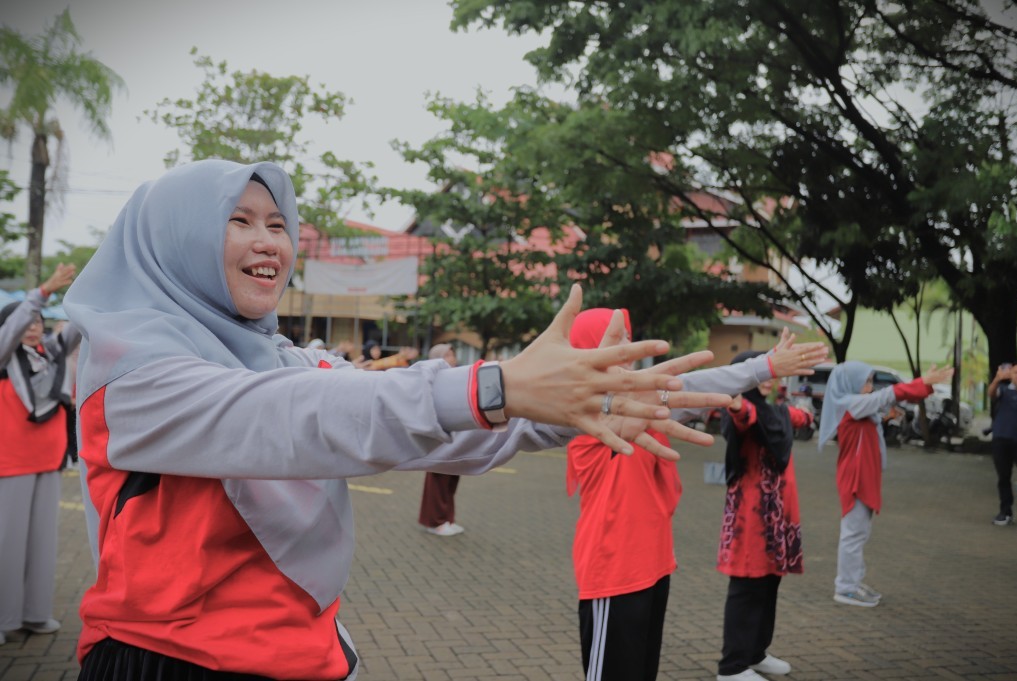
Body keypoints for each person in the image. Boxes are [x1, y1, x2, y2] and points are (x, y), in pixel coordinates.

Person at [63, 159, 728, 681]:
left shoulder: (278, 357)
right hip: (169, 663)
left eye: (278, 223)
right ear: (179, 237)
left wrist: (577, 402)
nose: (271, 242)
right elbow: (298, 419)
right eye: (240, 220)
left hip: (303, 655)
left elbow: (425, 423)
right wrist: (496, 384)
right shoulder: (130, 377)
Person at [567, 311, 828, 681]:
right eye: (617, 338)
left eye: (627, 336)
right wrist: (762, 366)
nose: (628, 346)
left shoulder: (640, 403)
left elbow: (698, 387)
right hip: (614, 570)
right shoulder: (582, 414)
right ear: (590, 350)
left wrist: (764, 368)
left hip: (653, 565)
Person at [818, 361, 953, 608]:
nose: (870, 386)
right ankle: (845, 587)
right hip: (855, 477)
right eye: (866, 381)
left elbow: (877, 409)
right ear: (851, 383)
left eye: (871, 381)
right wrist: (924, 382)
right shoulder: (849, 403)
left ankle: (853, 581)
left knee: (860, 532)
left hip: (864, 475)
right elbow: (890, 394)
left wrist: (887, 414)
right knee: (853, 533)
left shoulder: (858, 407)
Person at [715, 350, 814, 681]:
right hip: (751, 519)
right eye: (764, 370)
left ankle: (755, 653)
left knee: (770, 583)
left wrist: (805, 416)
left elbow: (798, 419)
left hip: (779, 516)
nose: (772, 378)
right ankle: (732, 667)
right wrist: (736, 401)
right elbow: (745, 416)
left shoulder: (776, 412)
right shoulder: (745, 411)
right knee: (747, 586)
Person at [0, 263, 79, 647]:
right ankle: (4, 619)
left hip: (50, 461)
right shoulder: (4, 357)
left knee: (43, 544)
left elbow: (80, 327)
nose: (32, 326)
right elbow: (13, 329)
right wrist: (43, 292)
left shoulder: (51, 353)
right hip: (11, 463)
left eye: (37, 321)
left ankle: (33, 614)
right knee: (7, 544)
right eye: (25, 321)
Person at [418, 343, 466, 536]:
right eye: (446, 355)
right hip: (439, 434)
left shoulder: (457, 376)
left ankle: (447, 518)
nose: (451, 358)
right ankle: (434, 521)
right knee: (438, 478)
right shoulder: (431, 379)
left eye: (452, 354)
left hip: (456, 433)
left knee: (452, 476)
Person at [986, 361, 1017, 526]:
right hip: (1001, 439)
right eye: (1015, 372)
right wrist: (997, 379)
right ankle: (1005, 512)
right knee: (1003, 477)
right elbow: (991, 393)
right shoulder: (1003, 389)